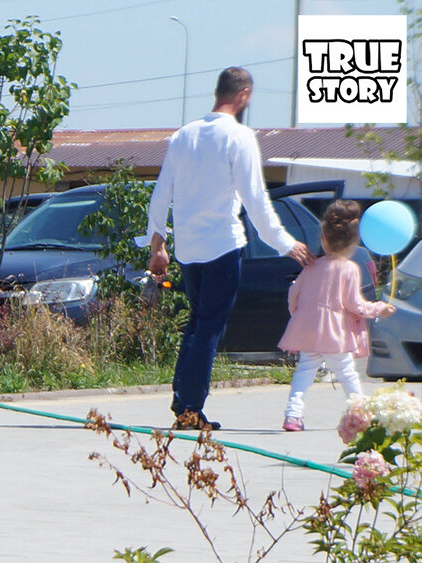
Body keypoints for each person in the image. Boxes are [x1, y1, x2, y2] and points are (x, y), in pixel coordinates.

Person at [140, 66, 316, 431]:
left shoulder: (183, 136)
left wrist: (158, 243)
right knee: (209, 328)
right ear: (244, 95)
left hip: (189, 249)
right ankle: (190, 407)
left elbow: (161, 194)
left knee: (198, 321)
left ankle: (182, 400)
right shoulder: (239, 137)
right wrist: (286, 243)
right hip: (221, 244)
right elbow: (255, 200)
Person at [278, 201, 395, 431]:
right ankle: (361, 413)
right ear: (353, 242)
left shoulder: (310, 267)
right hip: (335, 335)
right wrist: (379, 307)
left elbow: (294, 294)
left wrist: (299, 316)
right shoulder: (349, 269)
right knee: (347, 374)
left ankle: (293, 415)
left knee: (304, 372)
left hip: (308, 331)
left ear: (324, 237)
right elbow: (355, 305)